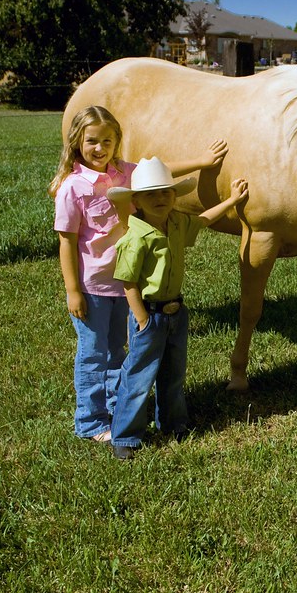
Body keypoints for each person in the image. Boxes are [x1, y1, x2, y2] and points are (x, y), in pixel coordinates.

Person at [51, 105, 228, 443]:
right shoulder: (73, 188)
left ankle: (119, 412)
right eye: (92, 141)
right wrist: (73, 290)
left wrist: (203, 162)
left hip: (127, 285)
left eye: (107, 141)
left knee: (119, 352)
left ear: (117, 142)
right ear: (77, 142)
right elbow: (66, 242)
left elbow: (160, 172)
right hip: (94, 286)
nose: (100, 149)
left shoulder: (124, 174)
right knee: (93, 354)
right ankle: (90, 421)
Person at [106, 157, 249, 459]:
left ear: (174, 195)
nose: (160, 199)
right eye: (151, 194)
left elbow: (204, 220)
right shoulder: (136, 237)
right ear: (136, 201)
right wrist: (142, 319)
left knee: (173, 372)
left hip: (176, 312)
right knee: (139, 377)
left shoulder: (177, 223)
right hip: (150, 314)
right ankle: (126, 436)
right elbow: (128, 282)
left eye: (166, 192)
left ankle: (173, 423)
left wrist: (232, 201)